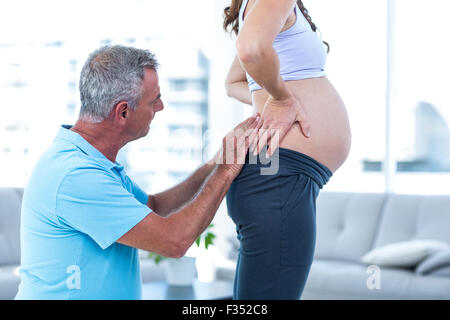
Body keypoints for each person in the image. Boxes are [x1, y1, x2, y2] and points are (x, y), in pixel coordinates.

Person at [15, 45, 258, 299]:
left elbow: (154, 206)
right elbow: (175, 241)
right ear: (123, 112)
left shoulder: (93, 163)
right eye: (154, 100)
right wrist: (226, 171)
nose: (161, 106)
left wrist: (216, 163)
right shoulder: (76, 175)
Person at [223, 0, 352, 299]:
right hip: (279, 178)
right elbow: (251, 49)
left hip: (279, 177)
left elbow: (233, 82)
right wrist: (281, 99)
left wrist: (272, 98)